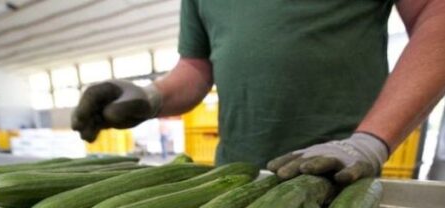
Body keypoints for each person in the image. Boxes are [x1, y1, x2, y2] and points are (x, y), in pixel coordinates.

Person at [72, 0, 445, 183]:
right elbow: (196, 68)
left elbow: (437, 14)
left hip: (339, 178)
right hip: (231, 179)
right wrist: (149, 96)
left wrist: (367, 144)